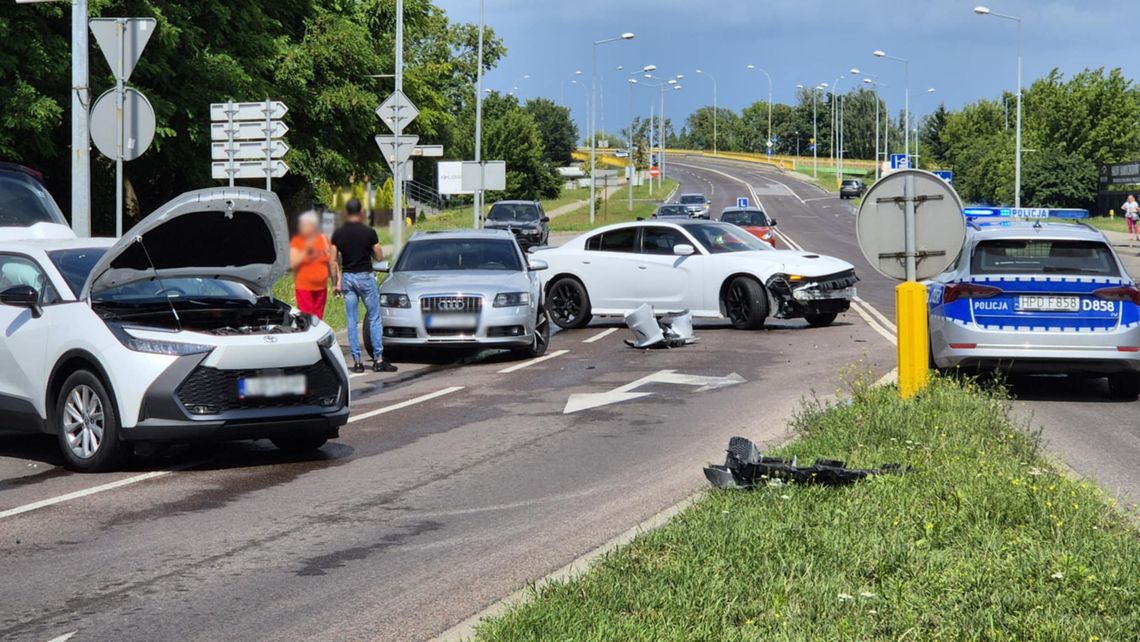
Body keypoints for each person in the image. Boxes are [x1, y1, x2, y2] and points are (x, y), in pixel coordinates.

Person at [331, 198, 396, 373]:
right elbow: (380, 257)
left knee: (351, 320)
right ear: (361, 213)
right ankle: (378, 359)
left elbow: (333, 261)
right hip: (365, 278)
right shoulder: (369, 232)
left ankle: (357, 362)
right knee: (374, 317)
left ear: (346, 213)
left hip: (348, 279)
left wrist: (336, 283)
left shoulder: (338, 234)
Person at [289, 211, 334, 319]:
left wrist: (335, 281)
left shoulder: (323, 240)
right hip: (304, 287)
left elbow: (331, 262)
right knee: (306, 318)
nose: (301, 227)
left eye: (303, 224)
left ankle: (317, 335)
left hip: (321, 287)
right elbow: (293, 263)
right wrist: (306, 249)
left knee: (318, 319)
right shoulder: (298, 241)